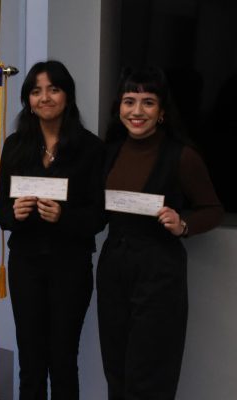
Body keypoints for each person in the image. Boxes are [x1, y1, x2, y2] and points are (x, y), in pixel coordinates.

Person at [97, 66, 224, 400]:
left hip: (159, 270)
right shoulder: (108, 152)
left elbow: (212, 209)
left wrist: (183, 224)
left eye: (148, 102)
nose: (137, 111)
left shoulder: (182, 156)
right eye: (129, 101)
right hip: (113, 265)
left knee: (151, 371)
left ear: (163, 111)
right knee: (116, 367)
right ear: (118, 108)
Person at [0, 60, 105, 399]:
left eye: (53, 89)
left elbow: (100, 216)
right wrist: (14, 213)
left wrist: (64, 217)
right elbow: (0, 210)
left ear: (67, 96)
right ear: (28, 100)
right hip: (26, 263)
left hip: (70, 265)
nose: (44, 97)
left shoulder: (90, 148)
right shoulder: (15, 146)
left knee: (62, 359)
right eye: (36, 91)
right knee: (30, 359)